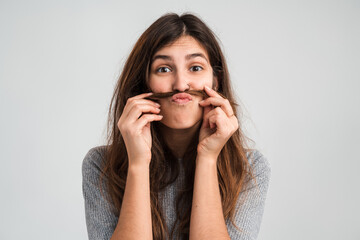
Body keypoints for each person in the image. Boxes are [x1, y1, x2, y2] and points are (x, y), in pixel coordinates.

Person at [82, 12, 271, 240]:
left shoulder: (250, 168)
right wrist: (138, 163)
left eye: (196, 68)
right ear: (144, 84)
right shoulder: (100, 166)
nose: (181, 84)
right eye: (164, 69)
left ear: (215, 80)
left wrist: (208, 158)